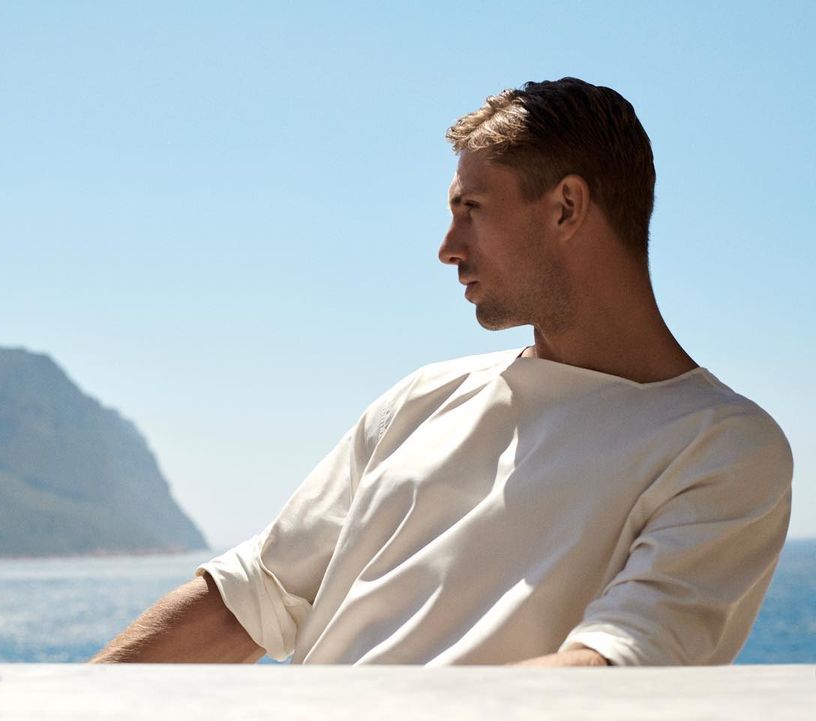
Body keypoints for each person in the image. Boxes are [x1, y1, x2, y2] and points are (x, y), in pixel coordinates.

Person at [90, 77, 793, 667]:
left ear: (566, 207)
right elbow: (248, 600)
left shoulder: (722, 447)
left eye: (471, 210)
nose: (447, 248)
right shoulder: (423, 398)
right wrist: (68, 698)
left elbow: (612, 670)